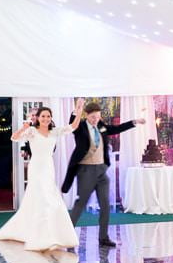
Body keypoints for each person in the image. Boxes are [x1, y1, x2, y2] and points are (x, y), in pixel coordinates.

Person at [0, 99, 85, 251]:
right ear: (38, 118)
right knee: (42, 197)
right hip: (36, 167)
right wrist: (23, 128)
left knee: (49, 197)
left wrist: (79, 110)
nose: (46, 119)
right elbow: (14, 138)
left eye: (48, 116)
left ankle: (52, 233)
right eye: (43, 116)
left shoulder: (54, 131)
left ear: (51, 118)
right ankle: (41, 236)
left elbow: (73, 126)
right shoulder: (32, 131)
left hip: (49, 167)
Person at [61, 102, 145, 246]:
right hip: (86, 170)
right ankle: (67, 236)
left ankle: (103, 237)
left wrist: (134, 122)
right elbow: (71, 123)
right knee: (81, 203)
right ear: (86, 115)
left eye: (98, 117)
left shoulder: (101, 126)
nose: (96, 120)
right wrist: (77, 109)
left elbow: (116, 129)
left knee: (105, 205)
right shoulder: (79, 127)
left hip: (101, 170)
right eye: (93, 117)